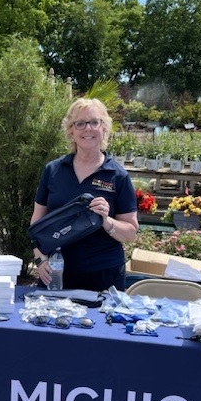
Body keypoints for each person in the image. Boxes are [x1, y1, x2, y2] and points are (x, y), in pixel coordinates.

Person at [31, 98, 138, 292]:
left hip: (103, 276)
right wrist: (40, 260)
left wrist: (106, 221)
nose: (87, 129)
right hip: (56, 273)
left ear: (104, 128)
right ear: (71, 131)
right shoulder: (53, 170)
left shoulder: (117, 175)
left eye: (94, 122)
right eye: (79, 123)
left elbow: (130, 232)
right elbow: (36, 225)